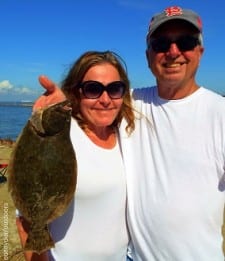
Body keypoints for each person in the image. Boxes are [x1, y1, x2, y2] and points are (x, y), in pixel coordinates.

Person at [119, 5, 225, 261]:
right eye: (161, 43)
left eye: (185, 42)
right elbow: (91, 100)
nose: (173, 52)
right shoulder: (127, 104)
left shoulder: (220, 113)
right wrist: (62, 100)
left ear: (200, 52)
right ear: (148, 56)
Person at [16, 50, 135, 261]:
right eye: (93, 89)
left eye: (115, 88)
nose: (105, 99)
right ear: (77, 92)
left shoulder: (128, 135)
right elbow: (25, 222)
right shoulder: (60, 134)